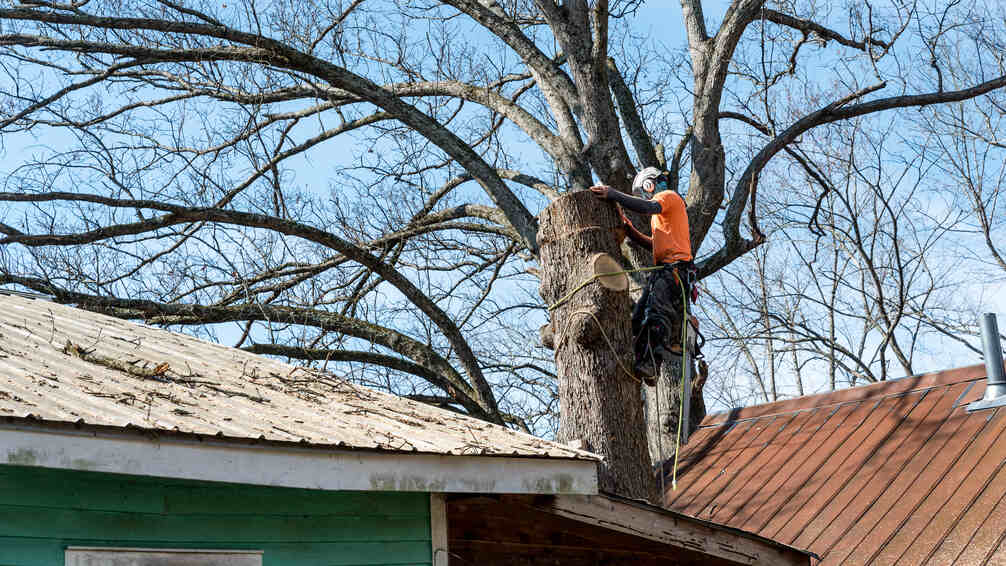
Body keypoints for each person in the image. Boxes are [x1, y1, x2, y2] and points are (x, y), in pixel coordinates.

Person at [590, 167, 694, 383]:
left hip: (674, 270)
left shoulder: (668, 196)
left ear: (649, 184)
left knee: (657, 315)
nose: (645, 196)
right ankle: (638, 359)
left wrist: (614, 194)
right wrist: (630, 231)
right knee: (637, 318)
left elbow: (648, 207)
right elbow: (655, 244)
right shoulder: (666, 218)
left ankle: (651, 363)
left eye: (643, 192)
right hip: (665, 270)